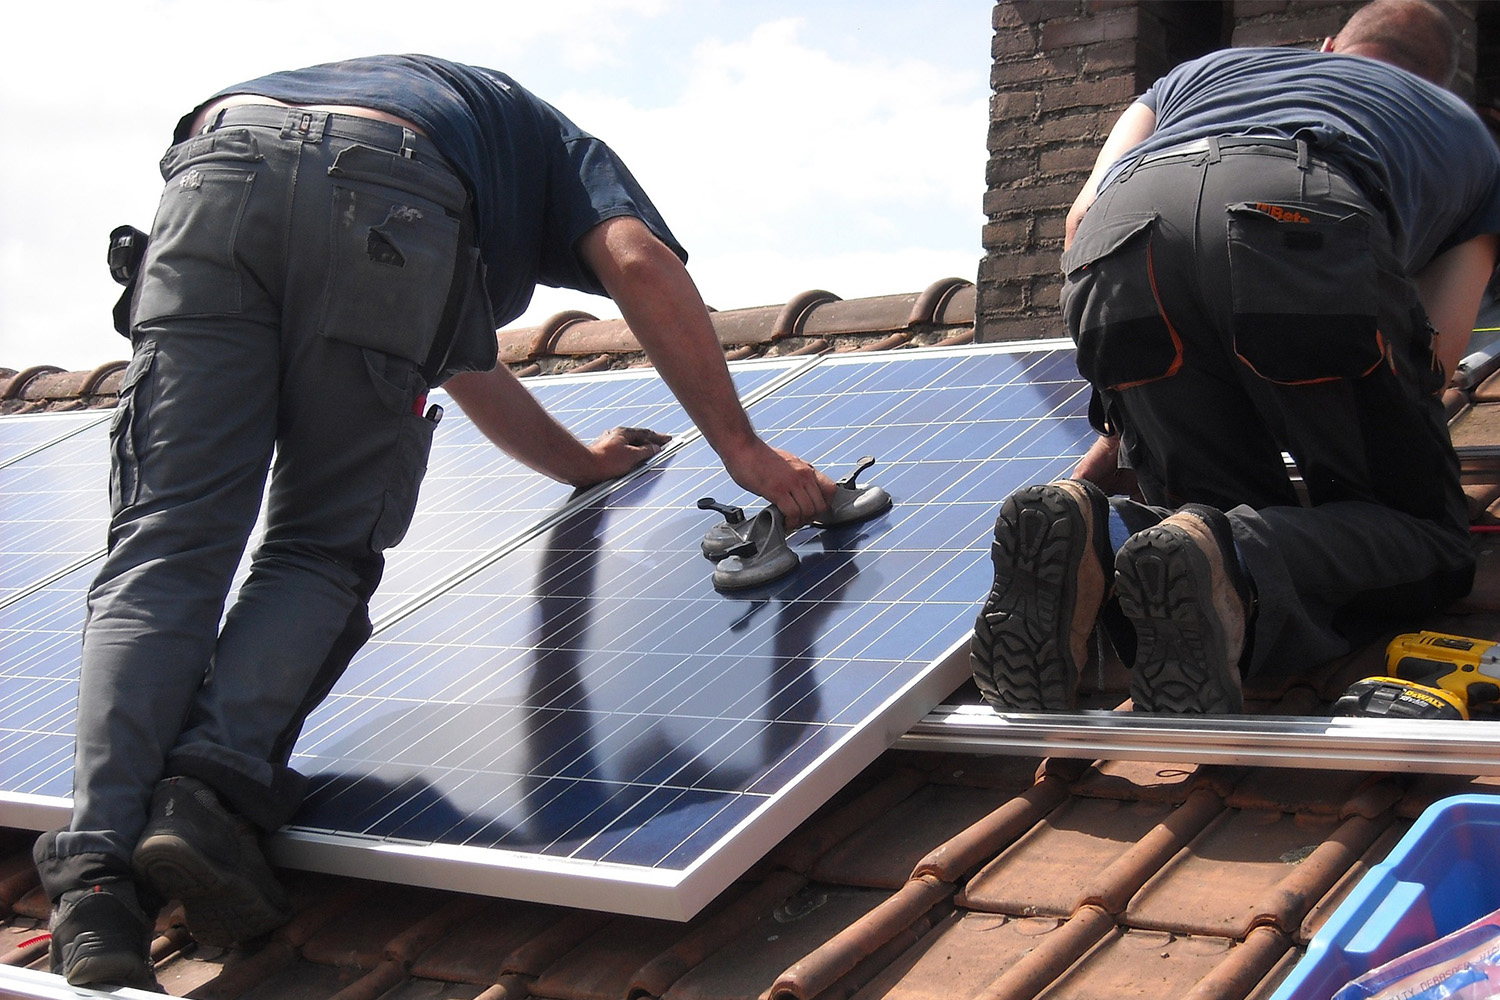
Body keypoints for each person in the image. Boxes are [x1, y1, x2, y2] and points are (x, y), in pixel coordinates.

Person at [36, 56, 835, 989]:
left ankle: (94, 885)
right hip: (394, 191)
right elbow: (636, 261)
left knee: (164, 545)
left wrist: (577, 464)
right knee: (318, 547)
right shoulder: (560, 149)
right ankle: (204, 793)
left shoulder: (451, 113)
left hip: (218, 166)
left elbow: (457, 358)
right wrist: (743, 449)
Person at [970, 0, 1500, 718]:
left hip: (1118, 235)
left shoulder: (1204, 72)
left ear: (1326, 45)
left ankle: (1100, 534)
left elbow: (1081, 210)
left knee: (1202, 518)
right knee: (1423, 535)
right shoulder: (1466, 136)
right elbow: (1436, 344)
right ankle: (1238, 555)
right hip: (1298, 212)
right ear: (1439, 83)